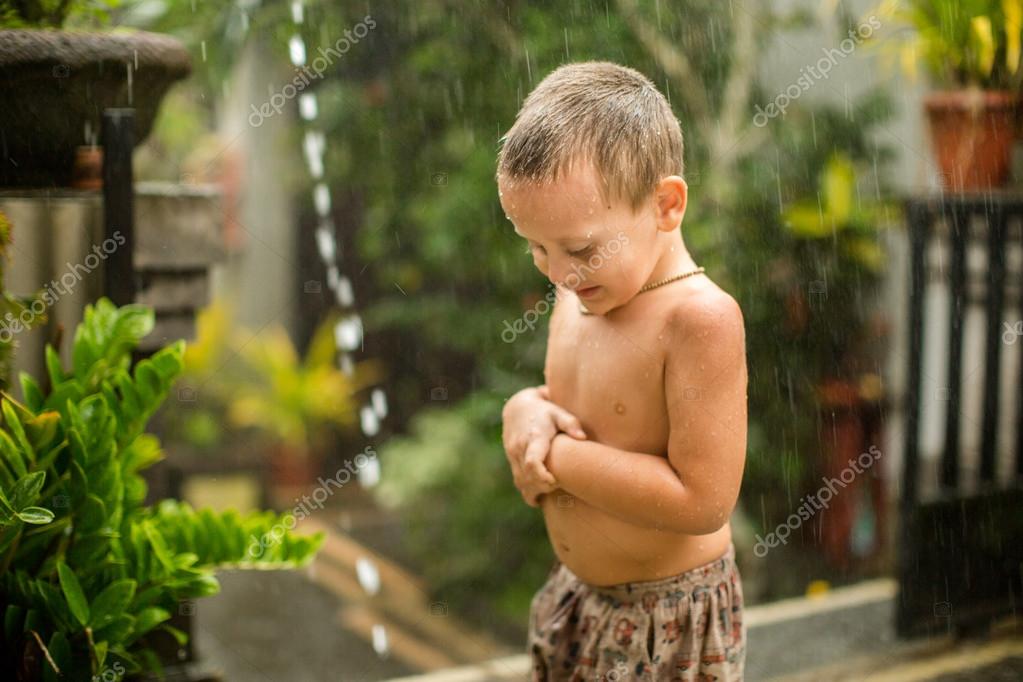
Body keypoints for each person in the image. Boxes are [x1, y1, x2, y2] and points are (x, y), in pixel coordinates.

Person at [498, 61, 748, 681]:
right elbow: (579, 407)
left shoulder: (699, 319)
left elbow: (703, 502)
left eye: (579, 249)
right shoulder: (580, 291)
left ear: (665, 205)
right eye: (537, 247)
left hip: (669, 621)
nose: (557, 272)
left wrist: (552, 455)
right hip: (577, 599)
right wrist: (524, 408)